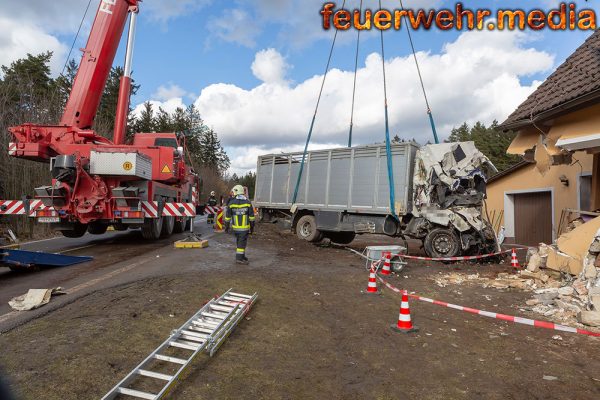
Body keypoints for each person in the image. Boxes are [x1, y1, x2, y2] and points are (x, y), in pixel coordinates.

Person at [224, 185, 255, 265]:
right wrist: (252, 228)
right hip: (244, 228)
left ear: (236, 192)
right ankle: (239, 258)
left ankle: (242, 256)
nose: (233, 194)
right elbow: (252, 217)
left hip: (235, 228)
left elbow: (227, 218)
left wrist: (226, 228)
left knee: (240, 242)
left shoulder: (231, 203)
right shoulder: (248, 203)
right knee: (242, 242)